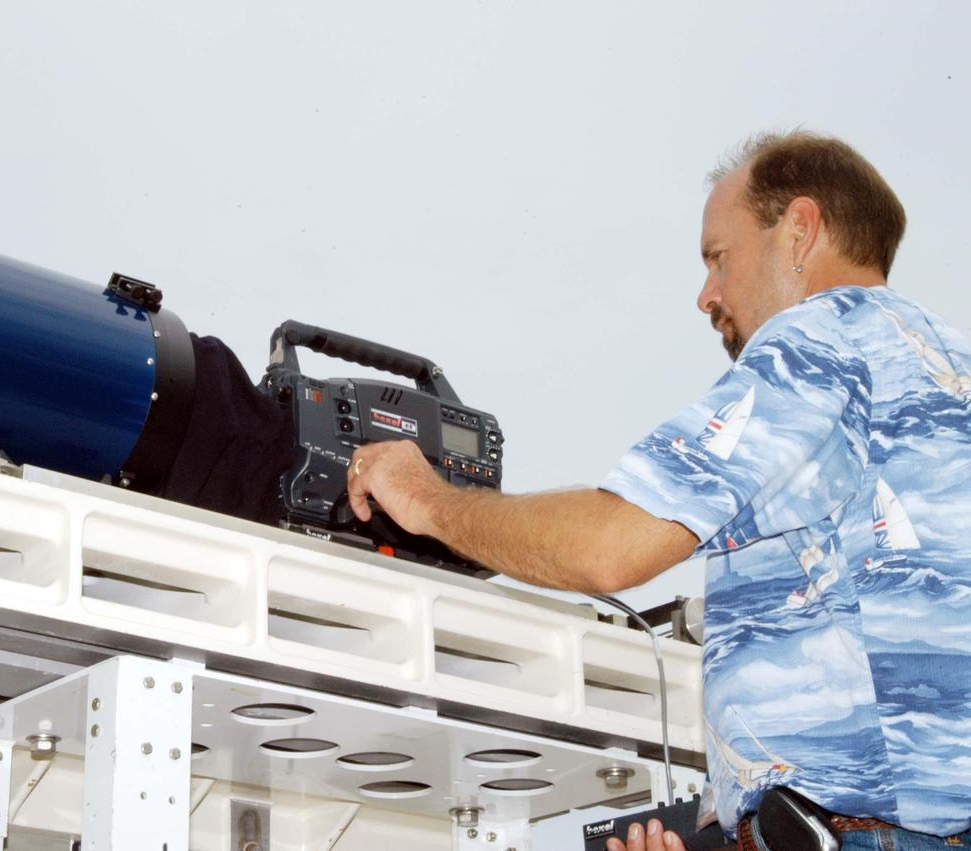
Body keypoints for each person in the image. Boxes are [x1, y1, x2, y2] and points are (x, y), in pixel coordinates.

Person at [346, 131, 971, 851]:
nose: (706, 295)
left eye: (719, 257)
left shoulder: (821, 346)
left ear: (799, 230)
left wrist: (428, 501)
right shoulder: (943, 366)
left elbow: (611, 547)